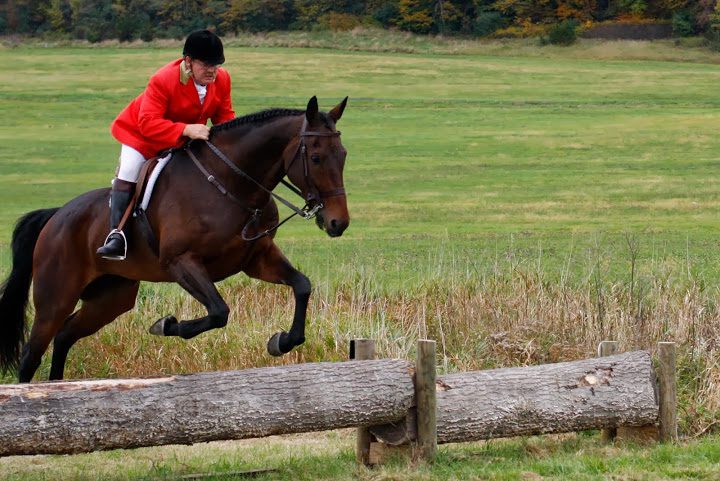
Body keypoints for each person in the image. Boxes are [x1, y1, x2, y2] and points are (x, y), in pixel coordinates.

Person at [96, 29, 236, 260]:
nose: (213, 70)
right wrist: (185, 129)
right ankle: (116, 235)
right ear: (188, 62)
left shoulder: (222, 79)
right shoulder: (163, 80)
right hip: (141, 136)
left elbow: (224, 116)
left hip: (183, 140)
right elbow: (147, 122)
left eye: (217, 64)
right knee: (130, 171)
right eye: (206, 65)